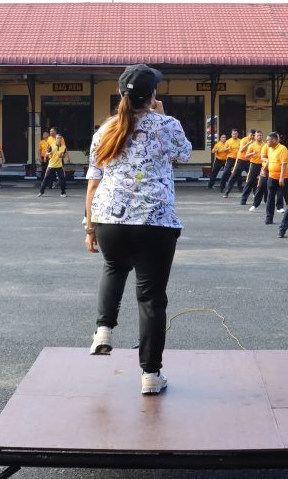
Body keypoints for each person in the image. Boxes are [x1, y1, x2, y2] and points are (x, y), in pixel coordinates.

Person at [83, 64, 191, 395]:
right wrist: (162, 113)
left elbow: (93, 180)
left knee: (114, 267)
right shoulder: (167, 125)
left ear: (120, 94)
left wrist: (89, 226)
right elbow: (185, 155)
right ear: (153, 95)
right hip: (154, 221)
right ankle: (150, 374)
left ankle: (103, 329)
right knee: (151, 298)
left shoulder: (105, 130)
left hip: (109, 220)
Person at [255, 132, 288, 224]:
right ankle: (269, 218)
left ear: (274, 140)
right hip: (271, 176)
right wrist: (264, 170)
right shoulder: (269, 148)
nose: (267, 142)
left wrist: (281, 178)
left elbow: (284, 164)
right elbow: (270, 161)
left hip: (283, 177)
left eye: (268, 140)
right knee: (270, 197)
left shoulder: (282, 149)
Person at [221, 130, 253, 197]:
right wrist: (228, 148)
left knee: (251, 176)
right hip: (236, 159)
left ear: (238, 134)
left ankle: (244, 189)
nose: (234, 135)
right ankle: (225, 190)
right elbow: (224, 150)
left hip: (248, 160)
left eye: (236, 134)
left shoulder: (241, 140)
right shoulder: (242, 140)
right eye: (233, 134)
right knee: (229, 173)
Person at [238, 131, 265, 206]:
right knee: (249, 182)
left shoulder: (265, 145)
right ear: (255, 137)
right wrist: (252, 153)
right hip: (254, 165)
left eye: (260, 135)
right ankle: (243, 200)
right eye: (258, 135)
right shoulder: (251, 145)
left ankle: (266, 200)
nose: (259, 136)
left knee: (265, 182)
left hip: (263, 165)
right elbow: (246, 156)